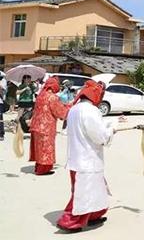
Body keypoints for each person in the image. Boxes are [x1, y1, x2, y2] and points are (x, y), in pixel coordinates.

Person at [56, 80, 116, 232]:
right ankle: (69, 222)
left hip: (77, 158)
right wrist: (111, 129)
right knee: (83, 194)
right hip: (87, 160)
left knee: (96, 189)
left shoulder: (76, 109)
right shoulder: (90, 111)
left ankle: (94, 215)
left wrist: (106, 125)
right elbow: (100, 137)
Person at [29, 77, 71, 175]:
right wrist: (69, 107)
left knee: (39, 148)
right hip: (47, 127)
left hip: (36, 125)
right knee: (46, 148)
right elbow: (60, 112)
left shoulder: (40, 95)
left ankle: (38, 166)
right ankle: (43, 169)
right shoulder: (52, 97)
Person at [0, 72, 7, 141]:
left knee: (0, 118)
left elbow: (3, 92)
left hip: (0, 102)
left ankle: (1, 133)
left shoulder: (3, 81)